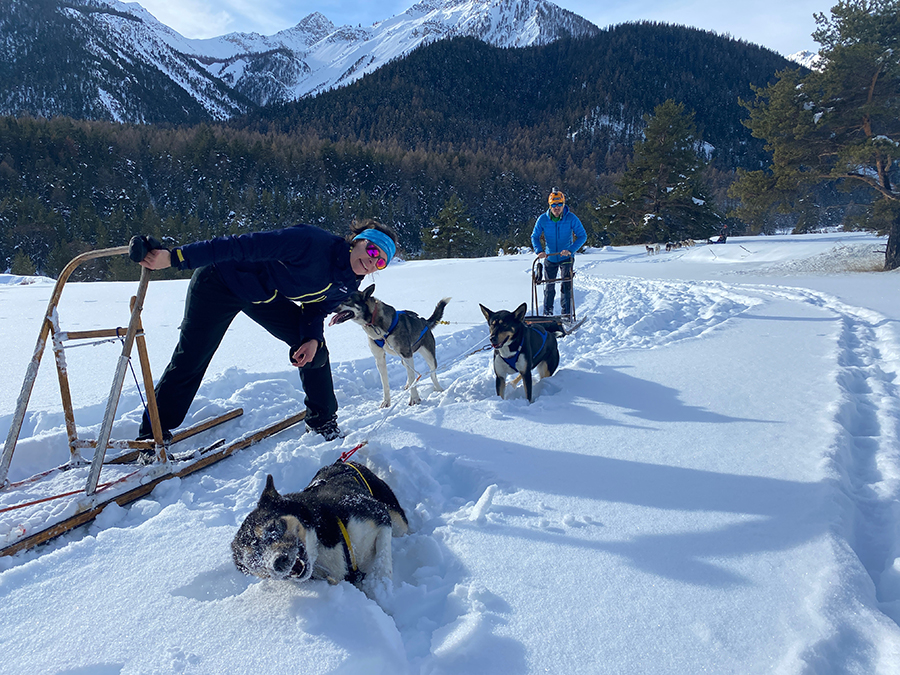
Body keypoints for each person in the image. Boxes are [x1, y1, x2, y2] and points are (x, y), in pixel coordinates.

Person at [133, 219, 397, 442]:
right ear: (359, 240)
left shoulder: (347, 283)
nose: (373, 262)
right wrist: (176, 257)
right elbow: (240, 245)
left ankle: (322, 423)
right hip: (218, 281)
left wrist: (312, 338)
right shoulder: (311, 242)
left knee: (316, 352)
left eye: (381, 263)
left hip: (261, 296)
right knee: (192, 357)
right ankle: (151, 434)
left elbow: (315, 309)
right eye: (373, 251)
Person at [530, 188, 587, 316]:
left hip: (566, 257)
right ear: (550, 206)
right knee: (549, 288)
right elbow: (534, 236)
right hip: (550, 257)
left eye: (559, 204)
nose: (557, 208)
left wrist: (571, 250)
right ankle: (547, 313)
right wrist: (539, 251)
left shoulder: (571, 218)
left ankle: (566, 314)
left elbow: (582, 236)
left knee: (566, 286)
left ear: (564, 204)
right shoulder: (543, 219)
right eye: (554, 205)